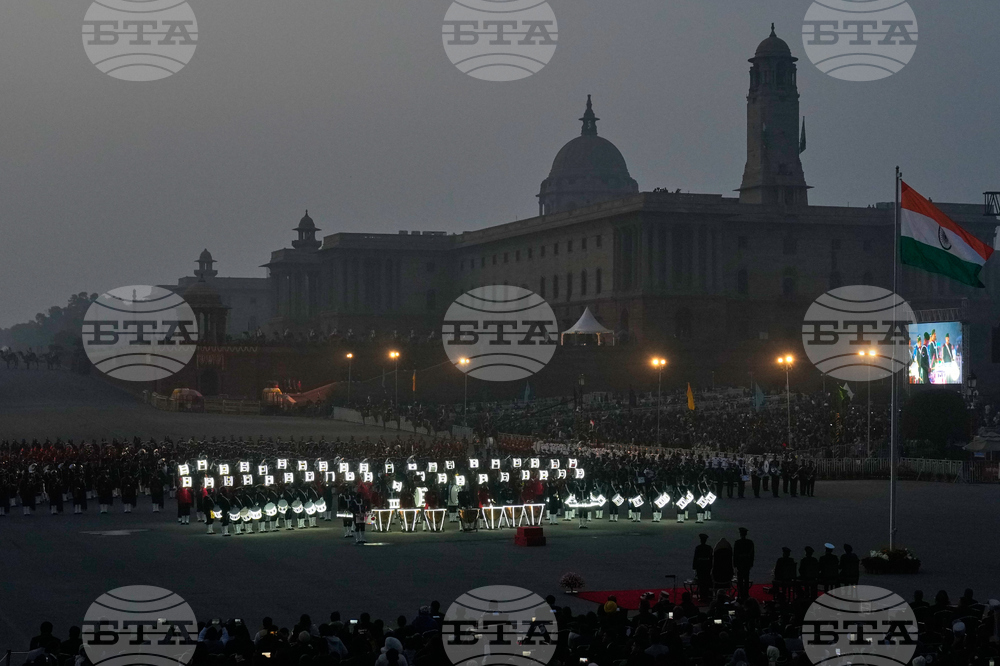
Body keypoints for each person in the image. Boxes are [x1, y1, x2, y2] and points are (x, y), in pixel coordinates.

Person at [733, 527, 755, 600]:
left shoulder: (737, 542)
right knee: (746, 579)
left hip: (740, 563)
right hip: (746, 563)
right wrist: (751, 563)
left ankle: (740, 593)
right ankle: (745, 593)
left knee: (740, 579)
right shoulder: (750, 543)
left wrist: (735, 564)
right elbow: (752, 555)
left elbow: (735, 554)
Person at [693, 534, 714, 602]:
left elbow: (695, 558)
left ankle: (702, 596)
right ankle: (708, 595)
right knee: (707, 581)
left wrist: (694, 567)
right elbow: (711, 558)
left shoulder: (698, 548)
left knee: (701, 582)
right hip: (707, 567)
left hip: (700, 567)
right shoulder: (709, 548)